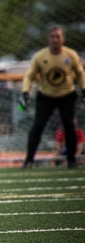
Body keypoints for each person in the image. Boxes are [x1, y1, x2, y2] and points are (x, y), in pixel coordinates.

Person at [21, 25, 85, 168]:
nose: (55, 40)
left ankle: (72, 160)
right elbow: (29, 76)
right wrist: (25, 92)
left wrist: (83, 90)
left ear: (63, 39)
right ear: (48, 39)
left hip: (66, 95)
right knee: (38, 125)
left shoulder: (71, 55)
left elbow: (80, 74)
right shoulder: (40, 56)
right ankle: (29, 160)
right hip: (46, 95)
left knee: (69, 126)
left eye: (58, 36)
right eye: (52, 37)